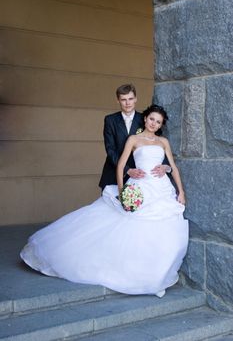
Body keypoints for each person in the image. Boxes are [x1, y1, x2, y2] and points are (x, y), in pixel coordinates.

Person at [20, 104, 188, 298]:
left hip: (161, 189)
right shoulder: (133, 139)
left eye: (158, 122)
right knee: (132, 227)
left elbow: (173, 167)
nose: (154, 124)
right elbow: (121, 166)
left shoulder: (163, 141)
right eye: (152, 119)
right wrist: (123, 190)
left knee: (162, 229)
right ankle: (130, 269)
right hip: (140, 187)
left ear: (161, 125)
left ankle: (154, 271)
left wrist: (180, 191)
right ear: (145, 119)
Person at [99, 83, 171, 190]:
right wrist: (127, 169)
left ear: (136, 99)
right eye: (123, 99)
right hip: (113, 174)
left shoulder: (146, 119)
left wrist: (165, 166)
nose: (128, 103)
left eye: (130, 99)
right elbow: (110, 149)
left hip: (141, 177)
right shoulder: (110, 120)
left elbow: (157, 143)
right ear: (118, 100)